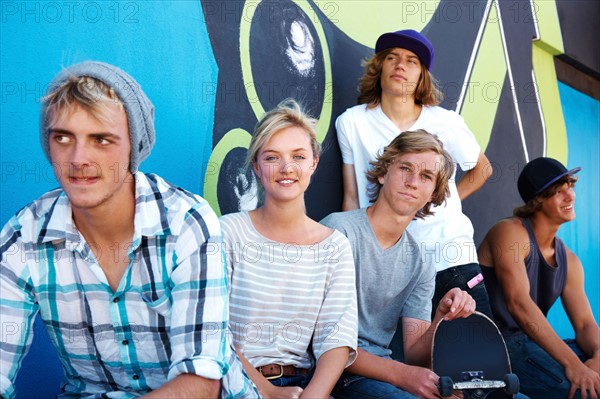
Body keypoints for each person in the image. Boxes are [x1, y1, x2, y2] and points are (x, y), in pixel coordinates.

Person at [0, 61, 257, 398]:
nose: (78, 158)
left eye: (101, 140)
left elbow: (200, 382)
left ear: (133, 148)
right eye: (63, 137)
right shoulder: (25, 235)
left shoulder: (187, 222)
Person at [335, 29, 493, 317]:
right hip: (389, 262)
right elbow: (351, 196)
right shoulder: (352, 122)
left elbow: (482, 169)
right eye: (392, 57)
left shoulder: (446, 122)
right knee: (408, 356)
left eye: (411, 61)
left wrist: (440, 201)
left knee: (475, 352)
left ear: (422, 75)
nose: (400, 65)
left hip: (451, 253)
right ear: (379, 67)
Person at [321, 130, 476, 399]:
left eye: (426, 176)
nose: (413, 182)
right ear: (383, 173)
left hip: (383, 375)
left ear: (433, 194)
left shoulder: (421, 262)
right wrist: (401, 375)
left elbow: (415, 354)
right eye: (406, 168)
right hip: (332, 373)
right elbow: (319, 338)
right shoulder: (339, 231)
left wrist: (441, 316)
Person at [220, 99, 358, 399]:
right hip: (235, 383)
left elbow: (336, 339)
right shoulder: (228, 232)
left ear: (314, 163)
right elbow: (213, 330)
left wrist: (312, 396)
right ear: (256, 166)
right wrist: (268, 391)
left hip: (306, 387)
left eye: (298, 156)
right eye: (272, 157)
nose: (286, 168)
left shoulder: (335, 247)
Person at [479, 157, 600, 399]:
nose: (570, 196)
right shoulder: (510, 232)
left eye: (570, 186)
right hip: (498, 345)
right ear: (537, 201)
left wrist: (598, 357)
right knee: (584, 392)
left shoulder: (570, 260)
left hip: (529, 341)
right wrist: (574, 365)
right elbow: (519, 305)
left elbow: (586, 324)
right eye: (559, 191)